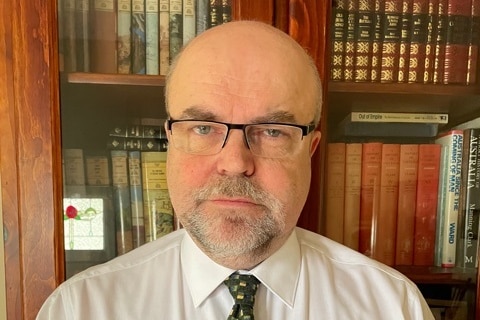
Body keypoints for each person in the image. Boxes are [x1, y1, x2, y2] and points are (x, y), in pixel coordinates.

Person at [37, 21, 434, 319]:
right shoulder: (80, 309)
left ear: (309, 150)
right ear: (171, 140)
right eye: (204, 128)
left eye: (273, 131)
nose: (235, 163)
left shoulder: (393, 307)